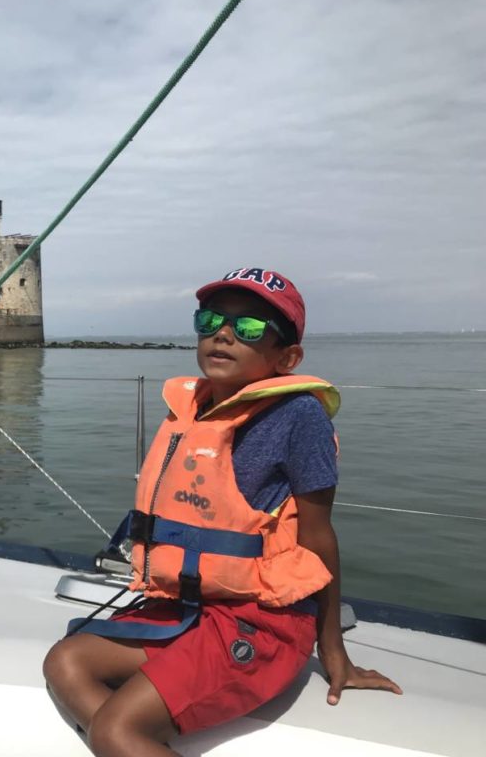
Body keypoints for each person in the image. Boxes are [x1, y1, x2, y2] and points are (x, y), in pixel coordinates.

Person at [43, 268, 401, 757]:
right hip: (192, 605)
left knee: (115, 731)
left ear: (287, 357)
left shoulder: (299, 417)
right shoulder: (194, 407)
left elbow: (318, 538)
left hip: (261, 620)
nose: (224, 334)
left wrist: (332, 649)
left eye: (249, 328)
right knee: (65, 662)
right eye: (210, 320)